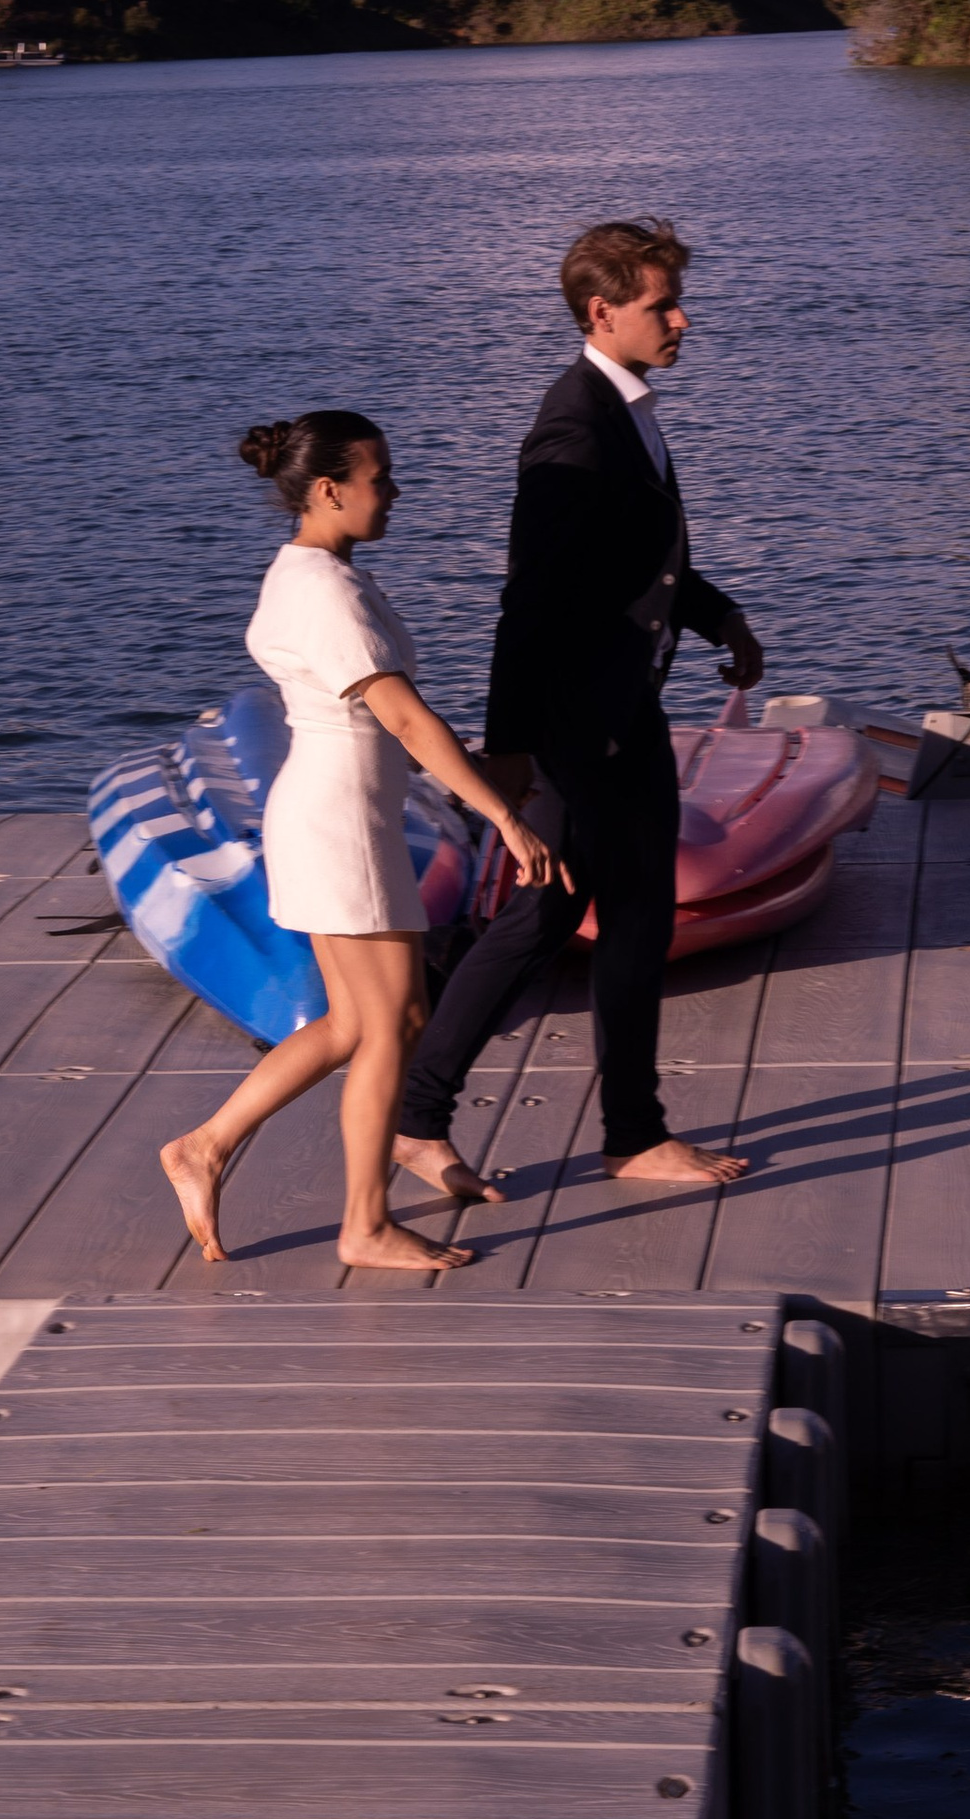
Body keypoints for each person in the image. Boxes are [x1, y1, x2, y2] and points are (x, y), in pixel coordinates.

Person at [391, 218, 762, 1199]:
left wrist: (722, 621)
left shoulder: (625, 405)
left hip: (623, 708)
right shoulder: (572, 425)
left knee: (630, 916)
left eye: (678, 299)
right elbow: (531, 597)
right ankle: (421, 1119)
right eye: (660, 305)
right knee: (544, 915)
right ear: (603, 312)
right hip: (573, 727)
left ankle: (631, 1135)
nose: (682, 319)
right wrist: (510, 747)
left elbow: (637, 562)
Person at [160, 409, 564, 1270]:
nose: (397, 490)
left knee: (370, 1020)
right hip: (340, 823)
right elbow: (407, 721)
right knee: (385, 1028)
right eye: (381, 477)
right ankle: (365, 1226)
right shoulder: (326, 593)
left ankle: (205, 1146)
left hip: (343, 813)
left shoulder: (314, 572)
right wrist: (501, 813)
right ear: (330, 489)